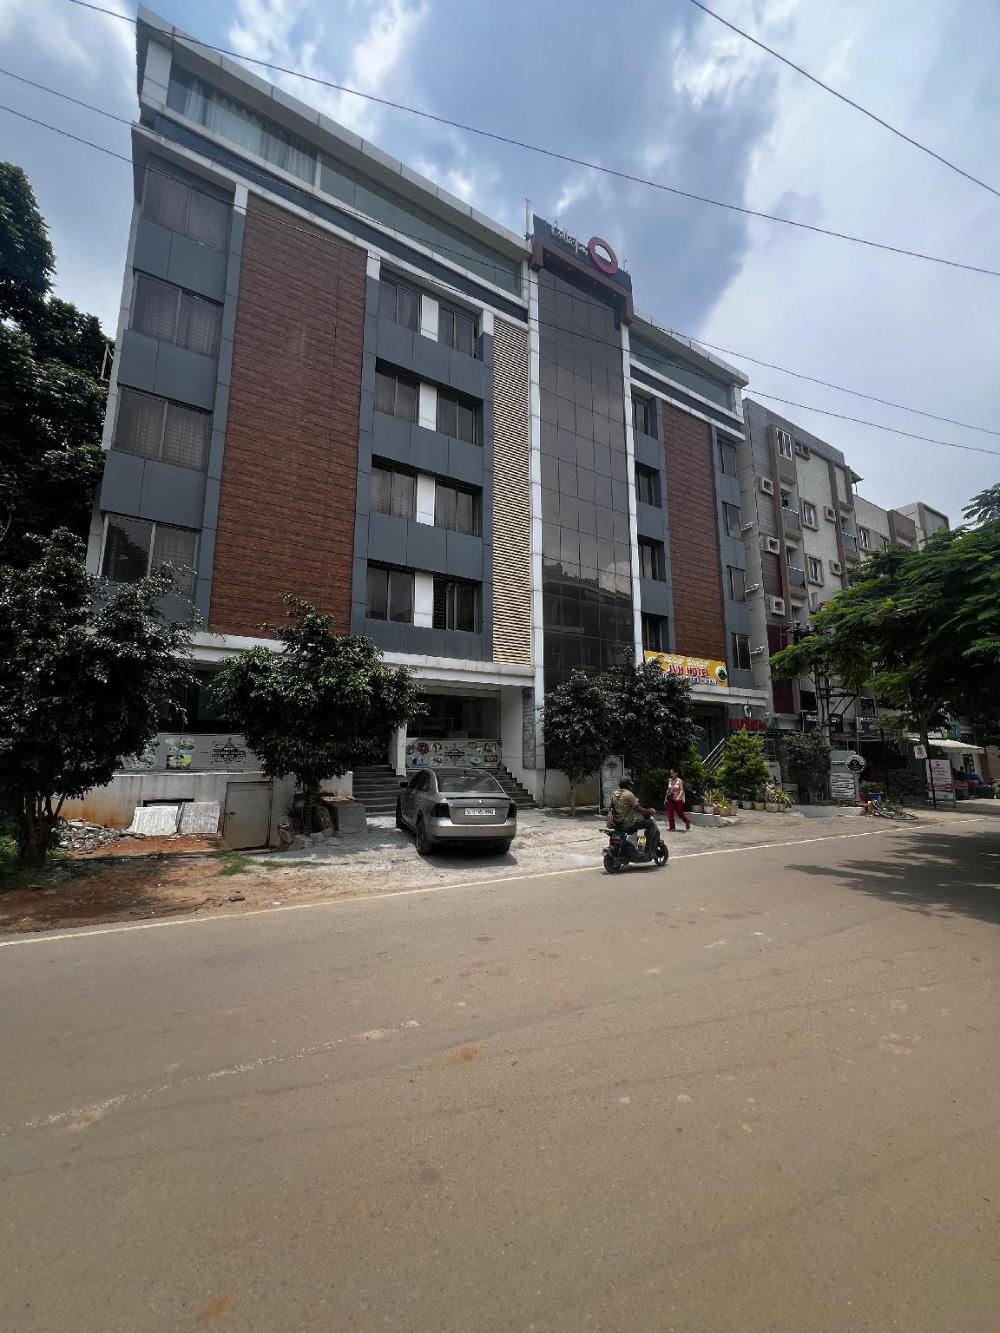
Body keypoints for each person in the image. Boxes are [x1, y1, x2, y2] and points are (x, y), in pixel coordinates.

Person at [609, 777, 660, 848]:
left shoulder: (614, 794)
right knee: (650, 824)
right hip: (627, 823)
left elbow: (612, 807)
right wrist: (649, 811)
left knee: (636, 821)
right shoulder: (629, 794)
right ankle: (648, 848)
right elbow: (638, 809)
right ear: (628, 785)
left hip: (616, 822)